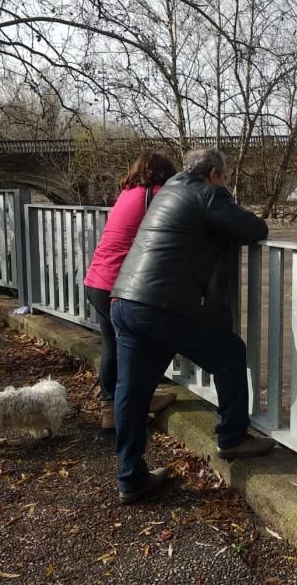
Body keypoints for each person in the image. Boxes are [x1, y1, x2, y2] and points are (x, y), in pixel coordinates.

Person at [109, 148, 274, 504]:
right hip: (159, 305)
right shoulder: (207, 194)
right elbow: (253, 228)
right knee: (230, 353)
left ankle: (130, 477)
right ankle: (232, 438)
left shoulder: (166, 192)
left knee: (132, 393)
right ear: (213, 173)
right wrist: (226, 200)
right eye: (224, 178)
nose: (224, 183)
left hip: (124, 299)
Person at [84, 151, 178, 431]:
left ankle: (111, 407)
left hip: (96, 280)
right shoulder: (158, 193)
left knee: (112, 346)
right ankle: (132, 402)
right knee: (151, 341)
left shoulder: (127, 193)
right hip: (118, 284)